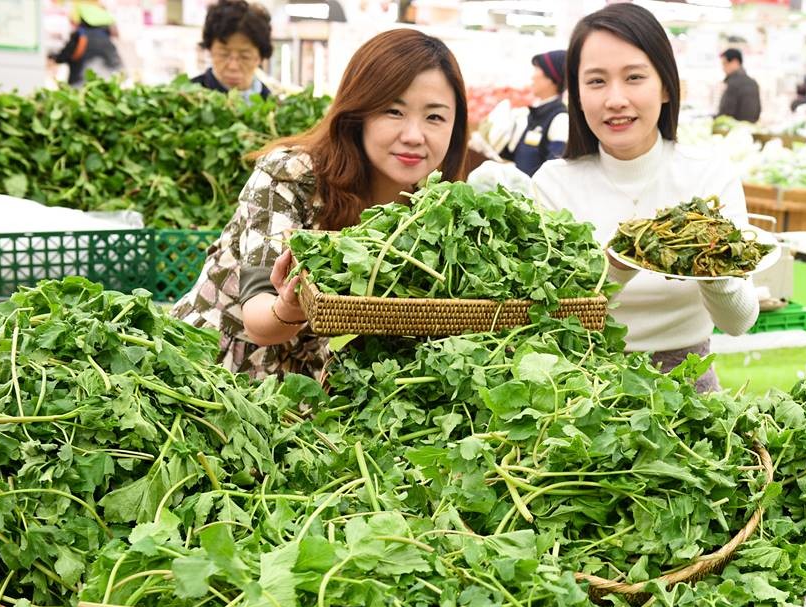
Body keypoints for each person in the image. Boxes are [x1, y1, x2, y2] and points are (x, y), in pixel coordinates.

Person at [170, 29, 469, 379]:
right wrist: (291, 305)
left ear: (455, 126)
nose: (414, 136)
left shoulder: (441, 210)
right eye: (393, 111)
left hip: (327, 388)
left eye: (435, 117)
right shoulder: (291, 175)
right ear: (358, 113)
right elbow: (260, 321)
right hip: (221, 375)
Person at [532, 4, 759, 393]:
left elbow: (738, 322)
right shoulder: (553, 184)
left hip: (689, 391)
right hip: (580, 391)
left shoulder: (708, 175)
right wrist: (617, 266)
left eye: (634, 77)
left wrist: (713, 261)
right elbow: (548, 315)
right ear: (578, 93)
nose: (616, 99)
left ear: (666, 86)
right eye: (597, 81)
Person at [500, 50, 569, 177]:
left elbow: (555, 171)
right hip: (518, 194)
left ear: (551, 78)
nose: (532, 77)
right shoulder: (536, 113)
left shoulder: (560, 119)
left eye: (537, 69)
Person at [190, 0, 274, 98]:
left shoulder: (272, 103)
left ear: (260, 58)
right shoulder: (188, 97)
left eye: (245, 57)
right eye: (223, 54)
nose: (233, 66)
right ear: (210, 50)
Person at [49, 1, 122, 87]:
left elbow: (64, 55)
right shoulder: (106, 37)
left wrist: (53, 57)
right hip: (106, 83)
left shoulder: (81, 35)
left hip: (81, 82)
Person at [717, 48, 761, 123]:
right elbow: (757, 110)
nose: (723, 68)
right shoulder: (753, 82)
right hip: (750, 127)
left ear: (735, 62)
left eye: (725, 63)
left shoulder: (734, 83)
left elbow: (726, 113)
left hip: (733, 129)